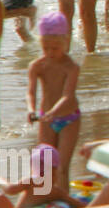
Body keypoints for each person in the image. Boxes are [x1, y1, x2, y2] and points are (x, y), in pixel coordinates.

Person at [27, 12, 82, 195]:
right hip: (46, 119)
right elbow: (31, 92)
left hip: (69, 118)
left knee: (62, 167)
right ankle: (44, 199)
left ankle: (64, 201)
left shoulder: (71, 67)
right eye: (46, 48)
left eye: (55, 48)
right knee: (45, 164)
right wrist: (31, 110)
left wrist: (54, 112)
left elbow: (68, 95)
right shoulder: (37, 65)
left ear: (66, 42)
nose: (50, 53)